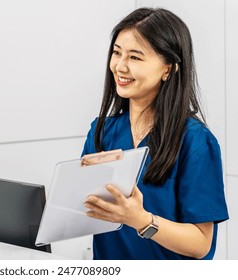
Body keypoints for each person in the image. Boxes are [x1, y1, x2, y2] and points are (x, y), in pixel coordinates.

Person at [82, 7, 229, 260]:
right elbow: (87, 211)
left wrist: (140, 220)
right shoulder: (101, 131)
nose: (120, 66)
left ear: (168, 69)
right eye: (117, 53)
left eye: (135, 57)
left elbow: (201, 244)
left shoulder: (195, 141)